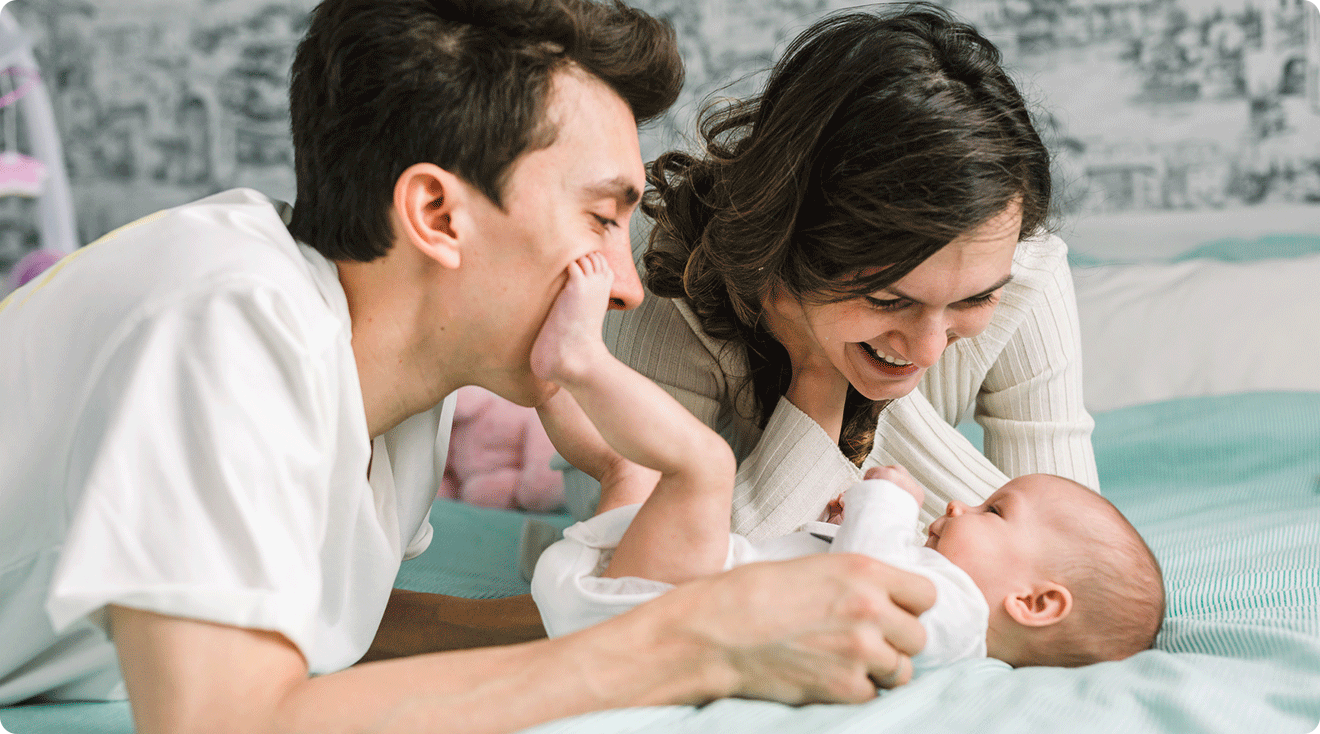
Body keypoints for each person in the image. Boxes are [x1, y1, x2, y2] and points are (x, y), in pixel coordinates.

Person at [0, 1, 939, 731]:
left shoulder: (396, 379)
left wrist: (615, 613)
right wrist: (693, 644)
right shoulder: (224, 318)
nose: (624, 287)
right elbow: (224, 719)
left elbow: (320, 627)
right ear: (438, 216)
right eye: (603, 219)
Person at [598, 3, 1100, 542]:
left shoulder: (1023, 270)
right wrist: (817, 384)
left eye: (973, 301)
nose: (928, 352)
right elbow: (648, 575)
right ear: (783, 247)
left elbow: (1066, 558)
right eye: (888, 300)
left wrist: (843, 376)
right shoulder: (663, 278)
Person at [527, 253, 1165, 671]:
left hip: (666, 604)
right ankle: (546, 383)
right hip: (658, 594)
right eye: (891, 299)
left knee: (699, 465)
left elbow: (864, 578)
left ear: (1037, 603)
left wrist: (883, 495)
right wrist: (837, 521)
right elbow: (845, 574)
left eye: (994, 512)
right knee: (627, 468)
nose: (961, 502)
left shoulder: (959, 619)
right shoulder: (950, 607)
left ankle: (578, 361)